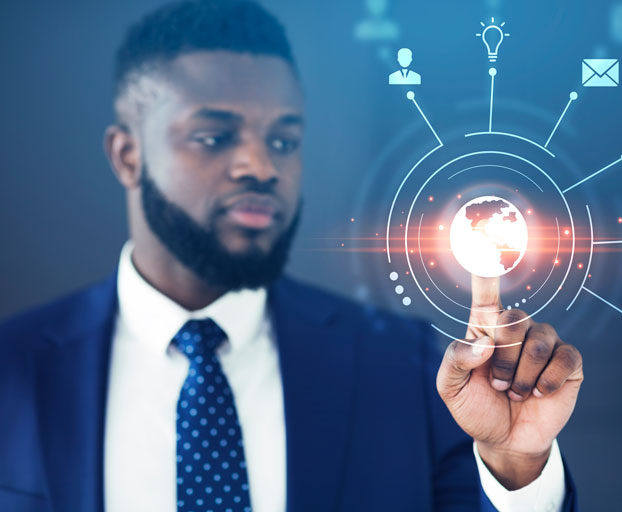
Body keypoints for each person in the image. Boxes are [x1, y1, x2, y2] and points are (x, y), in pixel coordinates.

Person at [0, 1, 583, 511]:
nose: (261, 166)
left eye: (283, 141)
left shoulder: (404, 367)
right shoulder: (13, 368)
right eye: (214, 136)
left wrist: (515, 467)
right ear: (128, 156)